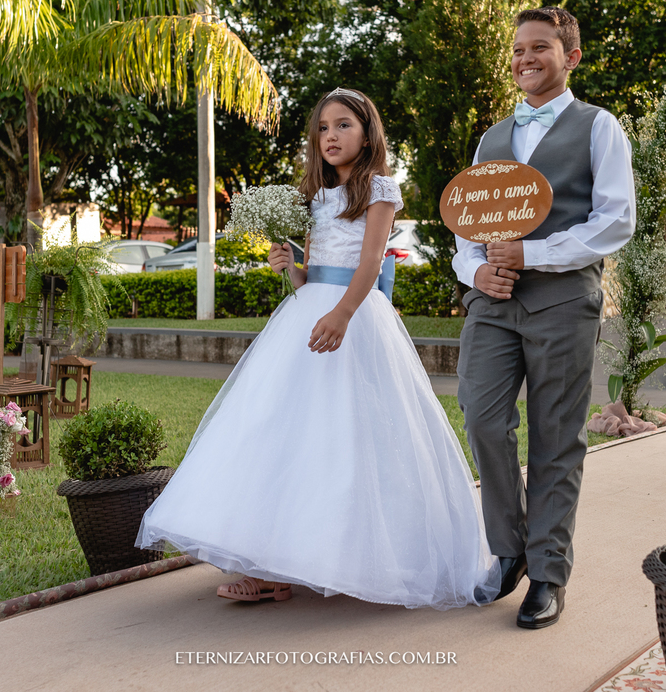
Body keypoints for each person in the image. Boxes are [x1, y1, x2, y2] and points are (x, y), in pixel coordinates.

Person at [137, 87, 500, 610]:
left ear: (368, 132)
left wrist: (343, 314)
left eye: (344, 125)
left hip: (355, 314)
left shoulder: (379, 188)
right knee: (281, 430)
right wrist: (290, 268)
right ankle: (270, 566)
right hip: (310, 312)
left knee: (354, 434)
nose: (331, 135)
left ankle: (364, 554)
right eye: (324, 128)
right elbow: (311, 276)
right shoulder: (311, 195)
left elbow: (372, 264)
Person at [453, 7, 636, 628]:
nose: (525, 59)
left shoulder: (599, 127)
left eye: (539, 48)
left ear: (571, 57)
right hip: (493, 303)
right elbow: (469, 224)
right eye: (517, 51)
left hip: (563, 300)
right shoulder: (492, 138)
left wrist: (534, 253)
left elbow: (616, 220)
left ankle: (548, 572)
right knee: (480, 415)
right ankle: (509, 549)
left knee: (556, 437)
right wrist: (473, 270)